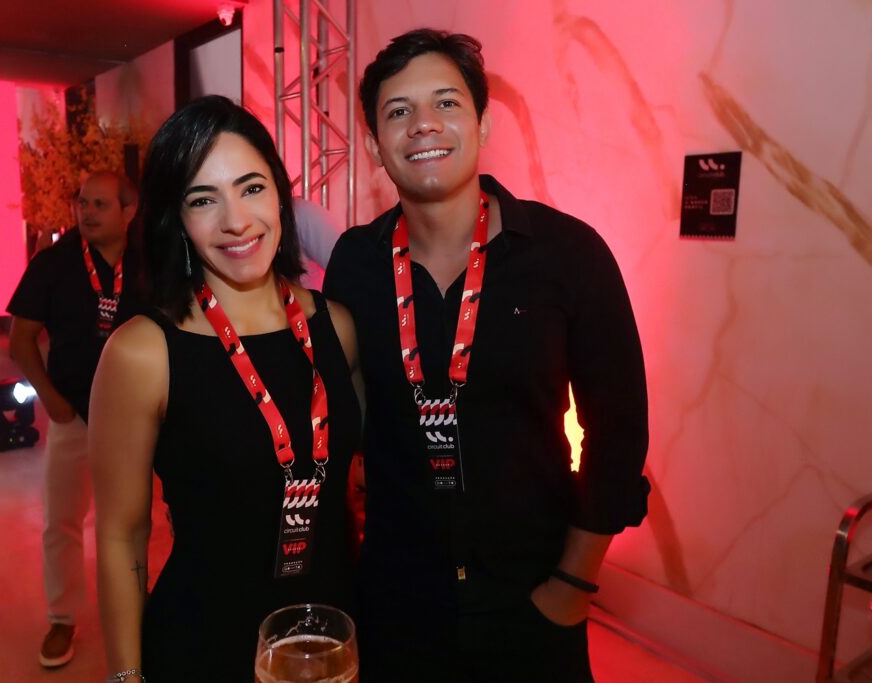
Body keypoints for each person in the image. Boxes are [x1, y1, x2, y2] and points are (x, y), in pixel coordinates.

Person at [323, 29, 650, 682]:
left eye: (446, 103)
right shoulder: (355, 263)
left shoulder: (567, 254)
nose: (423, 124)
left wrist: (570, 587)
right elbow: (344, 415)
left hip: (531, 600)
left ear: (483, 123)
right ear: (373, 144)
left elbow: (619, 433)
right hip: (396, 606)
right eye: (398, 111)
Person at [89, 95, 361, 683]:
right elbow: (120, 535)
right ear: (175, 218)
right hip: (204, 645)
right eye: (203, 199)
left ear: (280, 196)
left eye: (251, 188)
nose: (235, 221)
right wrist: (126, 677)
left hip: (331, 641)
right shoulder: (144, 352)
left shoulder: (337, 327)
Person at [7, 170, 141, 668]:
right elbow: (20, 339)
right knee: (62, 521)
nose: (87, 212)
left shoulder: (150, 262)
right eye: (84, 202)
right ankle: (62, 618)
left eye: (100, 204)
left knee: (131, 519)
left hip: (134, 417)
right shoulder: (54, 263)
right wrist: (50, 399)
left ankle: (135, 607)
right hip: (72, 413)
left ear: (129, 211)